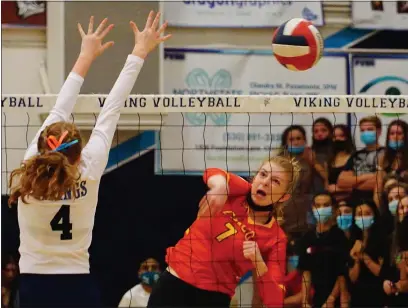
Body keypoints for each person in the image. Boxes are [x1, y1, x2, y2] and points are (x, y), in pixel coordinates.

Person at [8, 12, 171, 307]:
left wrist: (85, 55)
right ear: (79, 151)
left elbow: (59, 108)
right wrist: (139, 52)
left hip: (34, 283)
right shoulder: (91, 166)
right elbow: (113, 106)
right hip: (77, 282)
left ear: (44, 143)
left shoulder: (30, 166)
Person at [147, 155, 301, 307]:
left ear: (283, 197)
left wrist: (258, 262)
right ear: (255, 178)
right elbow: (212, 172)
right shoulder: (238, 190)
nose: (265, 182)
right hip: (174, 285)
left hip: (212, 299)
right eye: (263, 174)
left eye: (275, 181)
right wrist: (220, 186)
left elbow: (275, 301)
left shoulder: (275, 237)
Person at [297, 192, 349, 308]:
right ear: (313, 208)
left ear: (333, 208)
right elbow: (306, 272)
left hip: (337, 299)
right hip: (317, 298)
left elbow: (341, 274)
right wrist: (305, 301)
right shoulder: (307, 238)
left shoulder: (339, 236)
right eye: (318, 205)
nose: (321, 209)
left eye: (326, 205)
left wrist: (331, 298)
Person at [348, 201, 389, 307]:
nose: (363, 217)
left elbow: (380, 272)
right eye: (359, 214)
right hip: (358, 295)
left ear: (374, 215)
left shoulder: (383, 240)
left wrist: (364, 256)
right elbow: (352, 278)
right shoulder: (352, 242)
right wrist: (356, 259)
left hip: (378, 294)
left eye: (367, 214)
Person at [338, 116, 384, 206]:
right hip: (355, 204)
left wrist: (352, 184)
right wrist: (367, 176)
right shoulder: (355, 155)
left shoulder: (385, 154)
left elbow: (379, 181)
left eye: (370, 129)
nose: (365, 133)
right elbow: (341, 181)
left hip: (377, 204)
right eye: (362, 130)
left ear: (379, 131)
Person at [383, 196, 408, 306]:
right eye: (402, 207)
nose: (406, 211)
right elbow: (397, 261)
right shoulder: (394, 239)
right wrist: (391, 284)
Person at [326, 124, 355, 202]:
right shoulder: (329, 161)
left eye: (341, 136)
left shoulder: (355, 158)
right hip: (333, 203)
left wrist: (337, 188)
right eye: (334, 137)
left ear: (347, 138)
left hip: (351, 201)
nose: (338, 139)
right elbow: (327, 186)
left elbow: (358, 186)